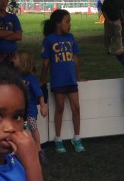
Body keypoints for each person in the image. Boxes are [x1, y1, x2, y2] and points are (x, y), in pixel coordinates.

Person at [41, 9, 85, 153]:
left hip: (71, 79)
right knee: (59, 107)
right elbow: (46, 61)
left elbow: (75, 59)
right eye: (67, 22)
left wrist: (78, 76)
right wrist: (42, 79)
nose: (69, 24)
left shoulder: (71, 37)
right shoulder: (49, 40)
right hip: (58, 80)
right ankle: (58, 139)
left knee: (76, 107)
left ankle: (77, 137)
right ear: (58, 24)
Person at [13, 50, 49, 165]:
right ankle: (19, 151)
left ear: (22, 62)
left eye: (16, 58)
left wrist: (43, 107)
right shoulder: (15, 76)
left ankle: (39, 150)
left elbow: (39, 93)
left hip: (30, 109)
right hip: (19, 110)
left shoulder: (31, 79)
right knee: (19, 129)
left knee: (33, 127)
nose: (13, 60)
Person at [0, 0, 23, 66]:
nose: (3, 2)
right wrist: (11, 32)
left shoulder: (13, 17)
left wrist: (0, 35)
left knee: (12, 75)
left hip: (12, 54)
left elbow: (19, 36)